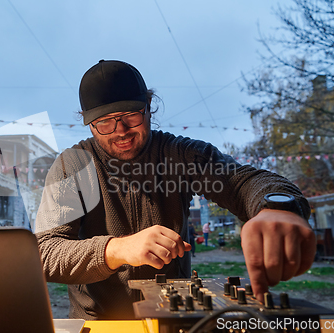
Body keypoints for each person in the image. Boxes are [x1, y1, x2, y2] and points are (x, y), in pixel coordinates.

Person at [35, 60, 315, 320]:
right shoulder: (72, 165)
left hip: (172, 315)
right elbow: (45, 253)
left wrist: (278, 207)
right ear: (88, 121)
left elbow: (243, 181)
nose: (120, 131)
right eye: (104, 122)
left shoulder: (180, 154)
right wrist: (117, 248)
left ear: (149, 105)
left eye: (131, 115)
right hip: (98, 321)